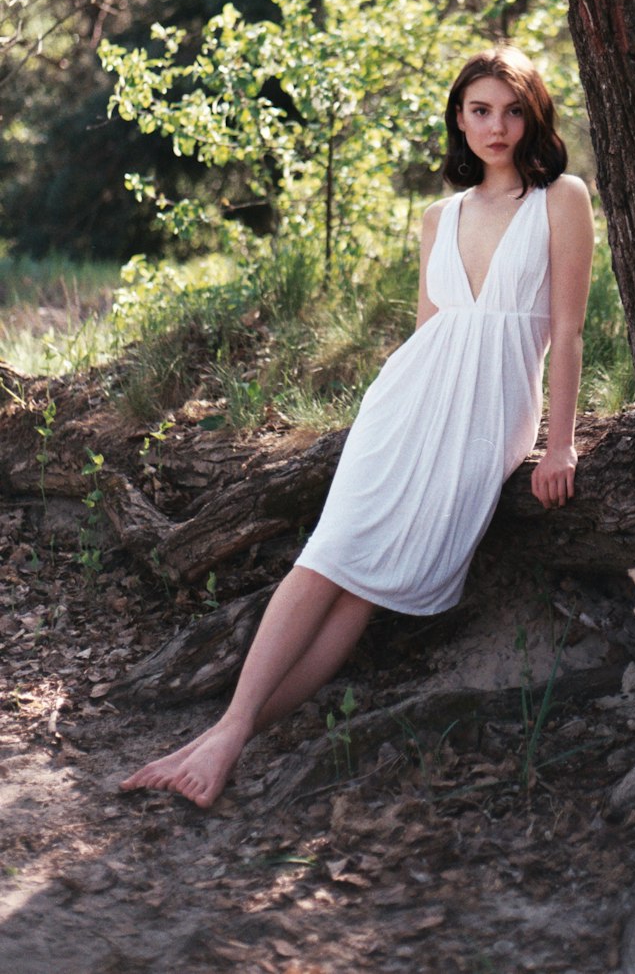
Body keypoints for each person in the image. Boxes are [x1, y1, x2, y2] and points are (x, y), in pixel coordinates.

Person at [120, 46, 595, 807]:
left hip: (486, 421)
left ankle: (222, 737)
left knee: (361, 590)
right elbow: (426, 334)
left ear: (534, 114)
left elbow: (566, 333)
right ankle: (223, 739)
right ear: (458, 117)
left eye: (511, 110)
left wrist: (562, 442)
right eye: (479, 109)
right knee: (327, 561)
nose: (496, 126)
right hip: (402, 411)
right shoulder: (439, 216)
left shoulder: (561, 198)